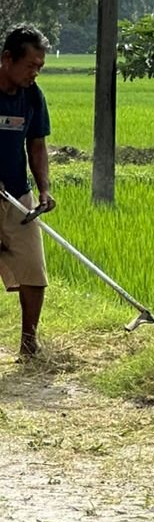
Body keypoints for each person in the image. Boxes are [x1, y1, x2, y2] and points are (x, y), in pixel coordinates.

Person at [0, 25, 55, 358]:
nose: (35, 72)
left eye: (40, 67)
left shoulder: (32, 96)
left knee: (34, 271)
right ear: (7, 58)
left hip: (18, 197)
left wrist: (44, 189)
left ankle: (29, 344)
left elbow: (36, 146)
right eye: (30, 65)